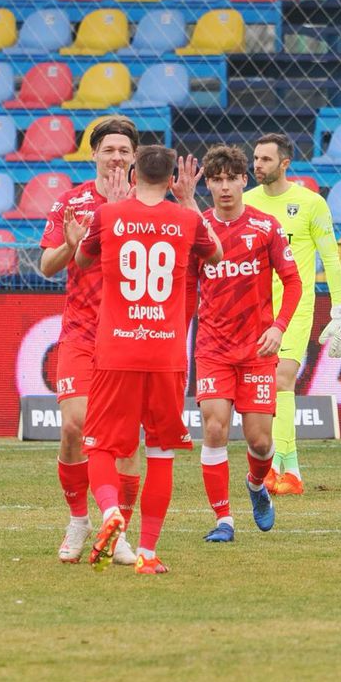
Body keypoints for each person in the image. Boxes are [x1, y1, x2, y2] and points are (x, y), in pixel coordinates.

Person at [73, 146, 223, 574]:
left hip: (116, 350)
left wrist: (115, 209)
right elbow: (215, 255)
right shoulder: (188, 219)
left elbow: (82, 259)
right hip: (166, 352)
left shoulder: (108, 216)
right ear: (175, 175)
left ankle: (108, 513)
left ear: (133, 171)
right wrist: (190, 199)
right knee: (160, 452)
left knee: (100, 444)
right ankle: (149, 553)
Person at [38, 116, 141, 566]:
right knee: (74, 428)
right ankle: (80, 519)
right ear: (94, 155)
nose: (116, 157)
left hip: (133, 334)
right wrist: (70, 245)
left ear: (134, 156)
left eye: (124, 150)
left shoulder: (147, 201)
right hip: (82, 333)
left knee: (126, 441)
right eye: (108, 150)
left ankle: (116, 529)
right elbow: (46, 264)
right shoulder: (71, 202)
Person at [186, 145, 301, 543]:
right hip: (214, 348)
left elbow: (294, 281)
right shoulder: (198, 229)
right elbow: (186, 288)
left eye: (230, 178)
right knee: (214, 428)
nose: (224, 187)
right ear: (210, 186)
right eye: (215, 180)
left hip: (257, 350)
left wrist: (280, 327)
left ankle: (256, 487)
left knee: (260, 441)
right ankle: (224, 521)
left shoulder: (266, 227)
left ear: (243, 180)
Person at [244, 134, 341, 496]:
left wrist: (340, 311)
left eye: (265, 160)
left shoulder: (310, 204)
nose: (257, 165)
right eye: (255, 158)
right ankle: (286, 467)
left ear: (285, 163)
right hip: (254, 307)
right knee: (267, 388)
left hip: (295, 305)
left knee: (283, 379)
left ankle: (282, 469)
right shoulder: (246, 203)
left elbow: (332, 258)